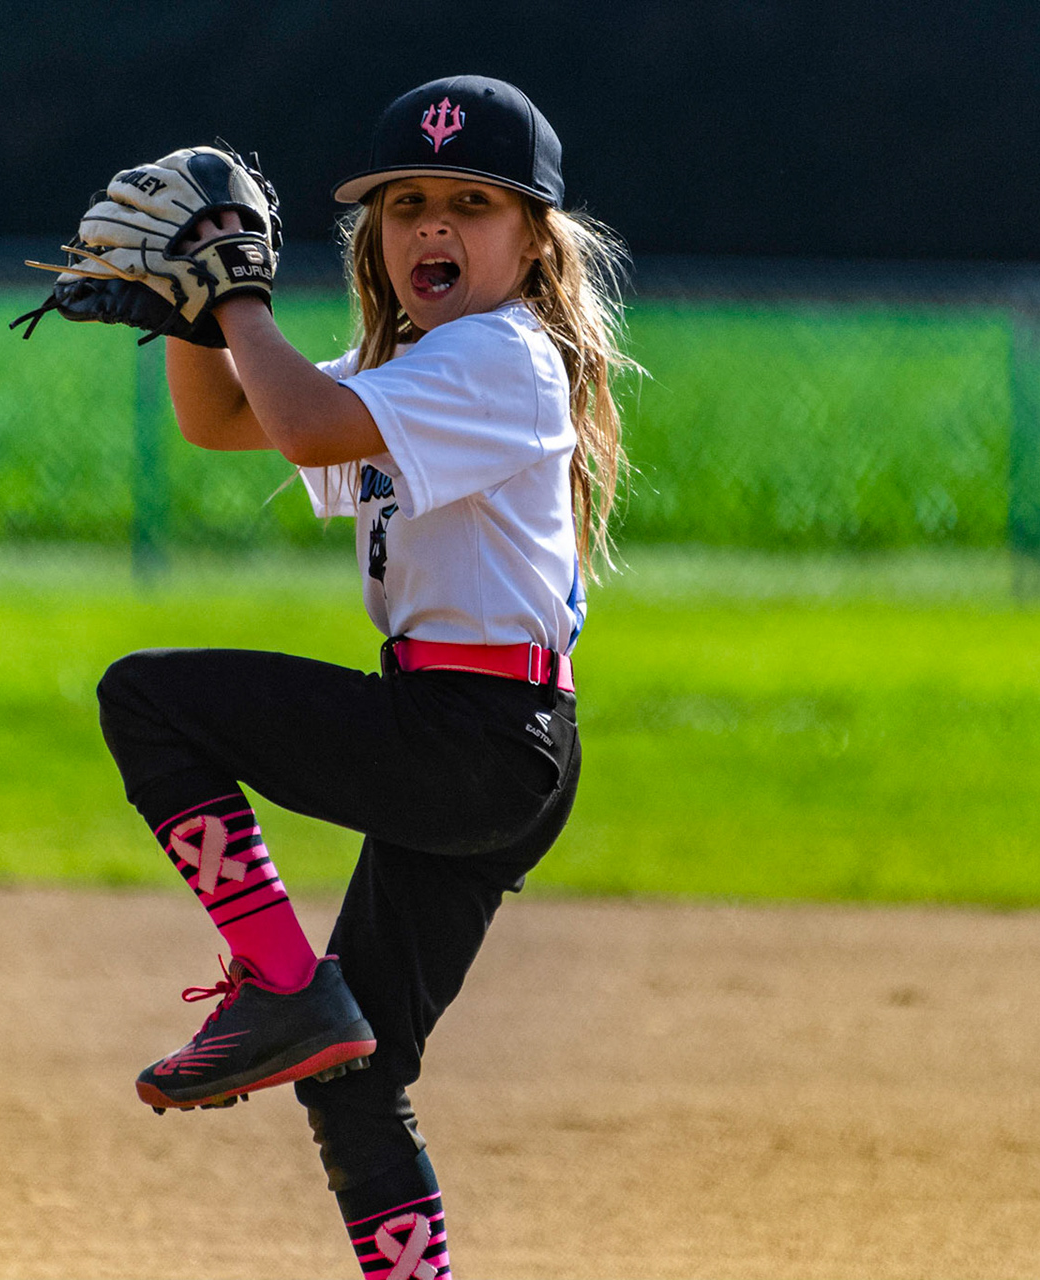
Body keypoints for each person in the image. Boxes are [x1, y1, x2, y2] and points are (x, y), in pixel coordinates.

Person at [93, 74, 631, 1280]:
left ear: (534, 237)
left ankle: (282, 979)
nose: (430, 227)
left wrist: (233, 292)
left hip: (474, 731)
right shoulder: (421, 364)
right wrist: (196, 314)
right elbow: (229, 420)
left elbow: (305, 425)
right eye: (404, 207)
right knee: (357, 1074)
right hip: (489, 737)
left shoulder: (501, 354)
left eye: (470, 204)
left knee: (148, 696)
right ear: (375, 238)